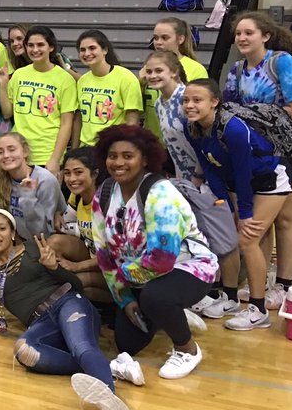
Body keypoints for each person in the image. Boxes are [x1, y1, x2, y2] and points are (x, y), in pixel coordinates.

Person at [0, 210, 130, 410]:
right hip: (40, 322)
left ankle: (109, 396)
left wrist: (54, 268)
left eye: (2, 228)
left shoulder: (33, 248)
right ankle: (106, 365)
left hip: (67, 302)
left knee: (81, 347)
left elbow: (76, 285)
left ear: (12, 233)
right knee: (23, 350)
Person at [93, 126, 218, 382]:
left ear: (145, 159)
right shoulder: (104, 193)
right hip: (140, 276)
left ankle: (187, 349)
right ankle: (172, 314)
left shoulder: (161, 193)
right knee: (126, 343)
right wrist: (125, 299)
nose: (118, 163)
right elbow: (103, 253)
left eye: (128, 156)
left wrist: (123, 278)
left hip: (189, 268)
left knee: (156, 297)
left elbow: (162, 260)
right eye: (112, 156)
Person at [223, 10, 292, 307]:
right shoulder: (237, 70)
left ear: (266, 36)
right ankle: (260, 283)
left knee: (286, 219)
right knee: (261, 222)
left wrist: (252, 116)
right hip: (260, 152)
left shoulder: (281, 62)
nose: (242, 38)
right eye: (238, 33)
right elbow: (228, 110)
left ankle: (284, 286)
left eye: (248, 32)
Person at [185, 79, 290, 329]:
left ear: (214, 102)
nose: (189, 105)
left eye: (197, 100)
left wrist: (244, 213)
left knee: (247, 239)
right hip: (236, 183)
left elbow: (244, 173)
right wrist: (227, 207)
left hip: (269, 179)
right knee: (228, 235)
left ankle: (258, 310)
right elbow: (210, 168)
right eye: (186, 100)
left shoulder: (233, 128)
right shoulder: (192, 128)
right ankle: (230, 299)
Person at [7, 26, 78, 173]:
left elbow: (66, 124)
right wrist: (2, 86)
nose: (35, 50)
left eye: (40, 45)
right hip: (19, 152)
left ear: (51, 47)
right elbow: (8, 112)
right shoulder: (18, 75)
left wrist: (55, 159)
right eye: (30, 45)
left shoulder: (65, 80)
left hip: (46, 154)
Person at [46, 147, 110, 305]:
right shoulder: (76, 197)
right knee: (54, 242)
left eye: (78, 172)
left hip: (111, 266)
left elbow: (112, 255)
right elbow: (65, 225)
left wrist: (76, 266)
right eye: (67, 173)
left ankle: (115, 306)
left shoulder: (106, 201)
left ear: (94, 174)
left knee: (73, 282)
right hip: (91, 256)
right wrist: (57, 215)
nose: (71, 179)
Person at [0, 131, 63, 244]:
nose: (6, 155)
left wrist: (28, 198)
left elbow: (41, 232)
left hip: (43, 241)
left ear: (25, 151)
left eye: (11, 150)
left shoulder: (45, 180)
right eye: (0, 152)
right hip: (16, 237)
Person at [142, 17, 208, 140]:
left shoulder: (196, 69)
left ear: (180, 39)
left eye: (164, 38)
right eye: (155, 38)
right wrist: (140, 82)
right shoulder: (150, 66)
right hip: (152, 139)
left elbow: (201, 109)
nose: (158, 42)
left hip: (183, 139)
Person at [141, 50, 201, 183]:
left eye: (158, 71)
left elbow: (204, 141)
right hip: (181, 176)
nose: (153, 76)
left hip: (203, 176)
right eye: (149, 72)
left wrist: (198, 176)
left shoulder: (186, 99)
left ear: (174, 72)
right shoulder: (159, 104)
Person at [75, 30, 143, 147]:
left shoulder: (126, 77)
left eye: (92, 48)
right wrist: (74, 149)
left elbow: (132, 120)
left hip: (112, 148)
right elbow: (80, 118)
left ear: (105, 50)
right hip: (85, 148)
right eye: (82, 50)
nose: (87, 53)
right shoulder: (82, 81)